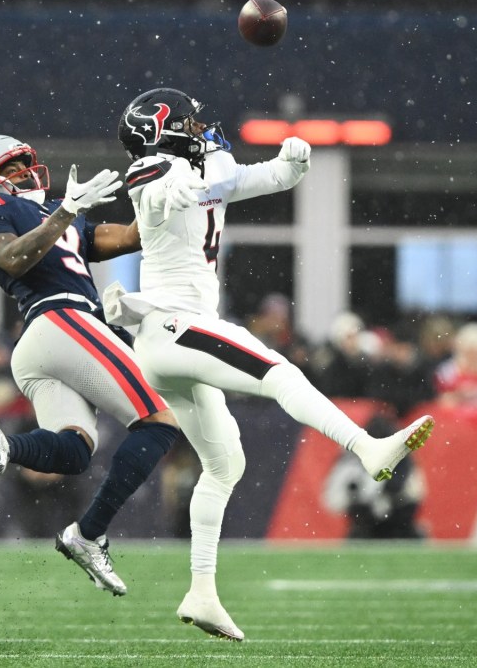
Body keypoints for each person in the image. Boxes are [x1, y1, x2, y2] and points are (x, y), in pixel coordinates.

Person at [105, 88, 435, 641]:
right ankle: (366, 446)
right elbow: (216, 178)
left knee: (224, 465)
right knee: (280, 372)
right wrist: (215, 157)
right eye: (187, 120)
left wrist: (294, 159)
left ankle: (202, 592)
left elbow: (263, 179)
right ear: (159, 130)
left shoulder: (191, 167)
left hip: (171, 339)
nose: (199, 125)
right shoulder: (152, 167)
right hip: (172, 325)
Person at [0, 134, 180, 596]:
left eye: (26, 164)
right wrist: (66, 212)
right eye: (13, 168)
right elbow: (12, 257)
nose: (26, 173)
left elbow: (134, 235)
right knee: (160, 420)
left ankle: (6, 448)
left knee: (75, 451)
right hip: (61, 318)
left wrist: (162, 184)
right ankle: (89, 534)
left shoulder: (57, 213)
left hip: (48, 341)